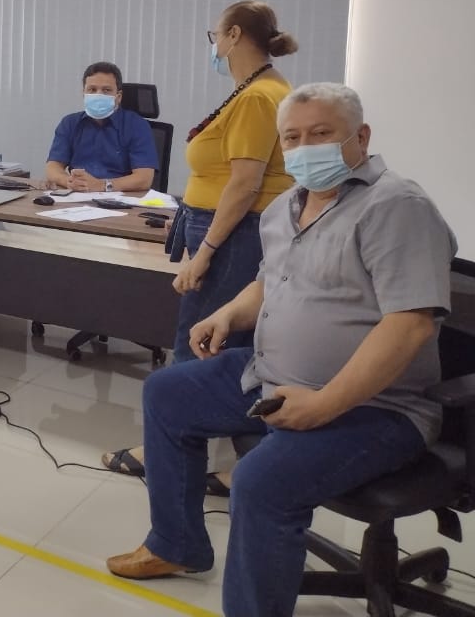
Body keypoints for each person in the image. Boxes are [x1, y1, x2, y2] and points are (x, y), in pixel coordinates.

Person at [106, 83, 456, 617]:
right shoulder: (284, 207)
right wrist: (226, 314)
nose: (304, 148)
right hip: (272, 376)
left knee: (259, 483)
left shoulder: (396, 207)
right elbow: (269, 283)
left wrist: (325, 404)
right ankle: (176, 545)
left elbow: (411, 326)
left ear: (360, 138)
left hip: (377, 406)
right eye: (292, 138)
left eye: (321, 134)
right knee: (167, 393)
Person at [102, 1, 296, 488]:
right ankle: (248, 465)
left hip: (235, 236)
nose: (214, 47)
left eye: (215, 36)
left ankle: (167, 452)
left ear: (234, 36)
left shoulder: (259, 96)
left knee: (201, 343)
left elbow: (245, 184)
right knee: (230, 349)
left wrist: (205, 252)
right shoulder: (256, 90)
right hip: (227, 230)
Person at [45, 61, 157, 194]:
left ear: (118, 96)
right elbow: (53, 167)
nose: (98, 95)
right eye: (92, 90)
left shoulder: (137, 125)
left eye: (106, 90)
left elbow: (144, 179)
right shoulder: (69, 123)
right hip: (77, 197)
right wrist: (68, 181)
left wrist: (102, 185)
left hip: (122, 199)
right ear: (84, 93)